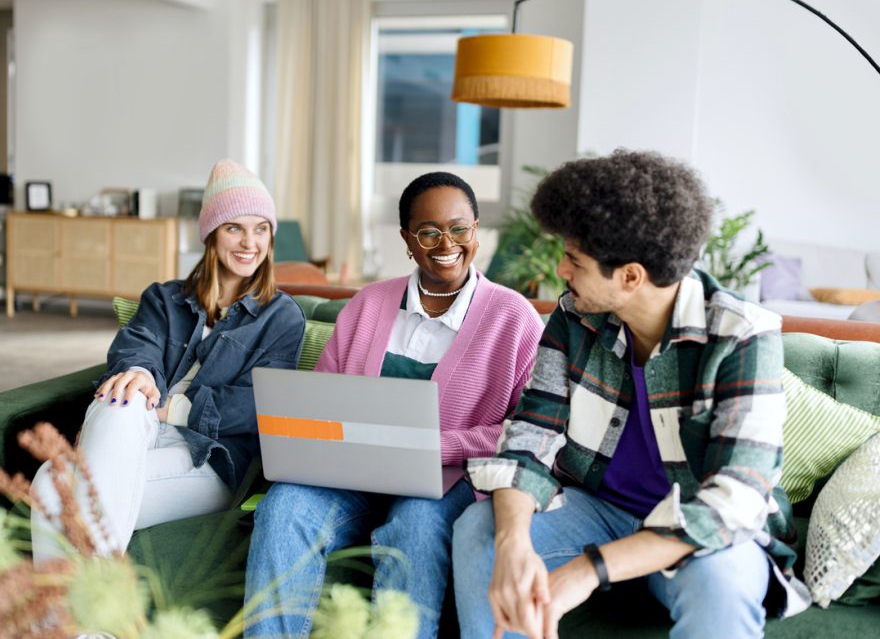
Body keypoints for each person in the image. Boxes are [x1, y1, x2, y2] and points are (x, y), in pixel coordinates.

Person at [452, 149, 810, 639]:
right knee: (481, 529)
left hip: (695, 531)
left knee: (721, 581)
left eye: (574, 259)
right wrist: (514, 541)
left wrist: (587, 571)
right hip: (599, 510)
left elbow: (734, 499)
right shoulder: (574, 316)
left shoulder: (742, 335)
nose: (561, 270)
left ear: (630, 276)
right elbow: (530, 436)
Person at [243, 172, 544, 638]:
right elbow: (323, 401)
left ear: (476, 231)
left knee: (417, 526)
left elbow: (525, 428)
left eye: (460, 229)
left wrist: (430, 446)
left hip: (448, 480)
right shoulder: (367, 305)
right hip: (353, 475)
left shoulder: (515, 317)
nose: (447, 243)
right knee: (284, 506)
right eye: (428, 232)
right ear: (407, 239)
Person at [30, 159, 305, 563]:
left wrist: (174, 409)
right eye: (235, 228)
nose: (250, 243)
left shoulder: (281, 317)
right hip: (137, 428)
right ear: (212, 234)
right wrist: (138, 375)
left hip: (211, 454)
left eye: (260, 229)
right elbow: (136, 345)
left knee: (49, 488)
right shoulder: (164, 298)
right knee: (123, 395)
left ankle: (86, 611)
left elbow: (257, 405)